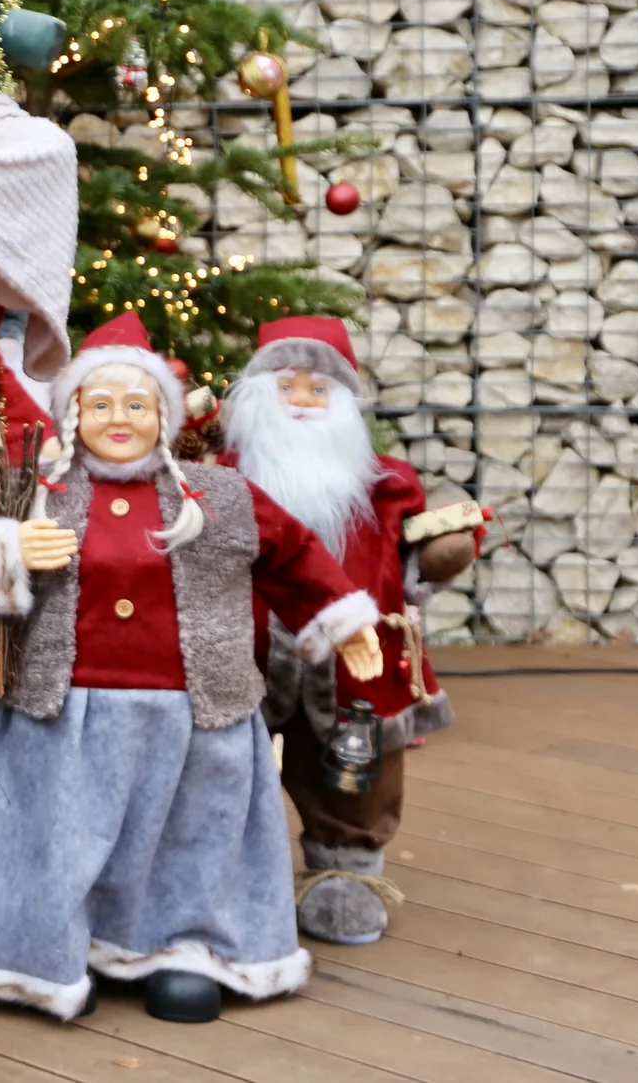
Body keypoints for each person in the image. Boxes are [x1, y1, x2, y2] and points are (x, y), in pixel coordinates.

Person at [0, 313, 382, 1025]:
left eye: (137, 404)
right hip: (60, 708)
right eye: (100, 402)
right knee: (56, 833)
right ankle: (45, 950)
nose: (119, 418)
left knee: (187, 834)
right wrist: (7, 547)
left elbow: (292, 553)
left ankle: (183, 947)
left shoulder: (218, 495)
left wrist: (344, 620)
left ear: (164, 418)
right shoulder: (30, 490)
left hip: (192, 712)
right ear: (73, 411)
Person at [215, 317, 484, 946]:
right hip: (244, 652)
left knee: (353, 768)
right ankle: (218, 877)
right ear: (259, 398)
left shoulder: (387, 484)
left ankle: (348, 872)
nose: (304, 403)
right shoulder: (222, 477)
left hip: (356, 660)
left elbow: (412, 561)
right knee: (223, 764)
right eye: (289, 388)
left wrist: (437, 558)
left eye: (319, 390)